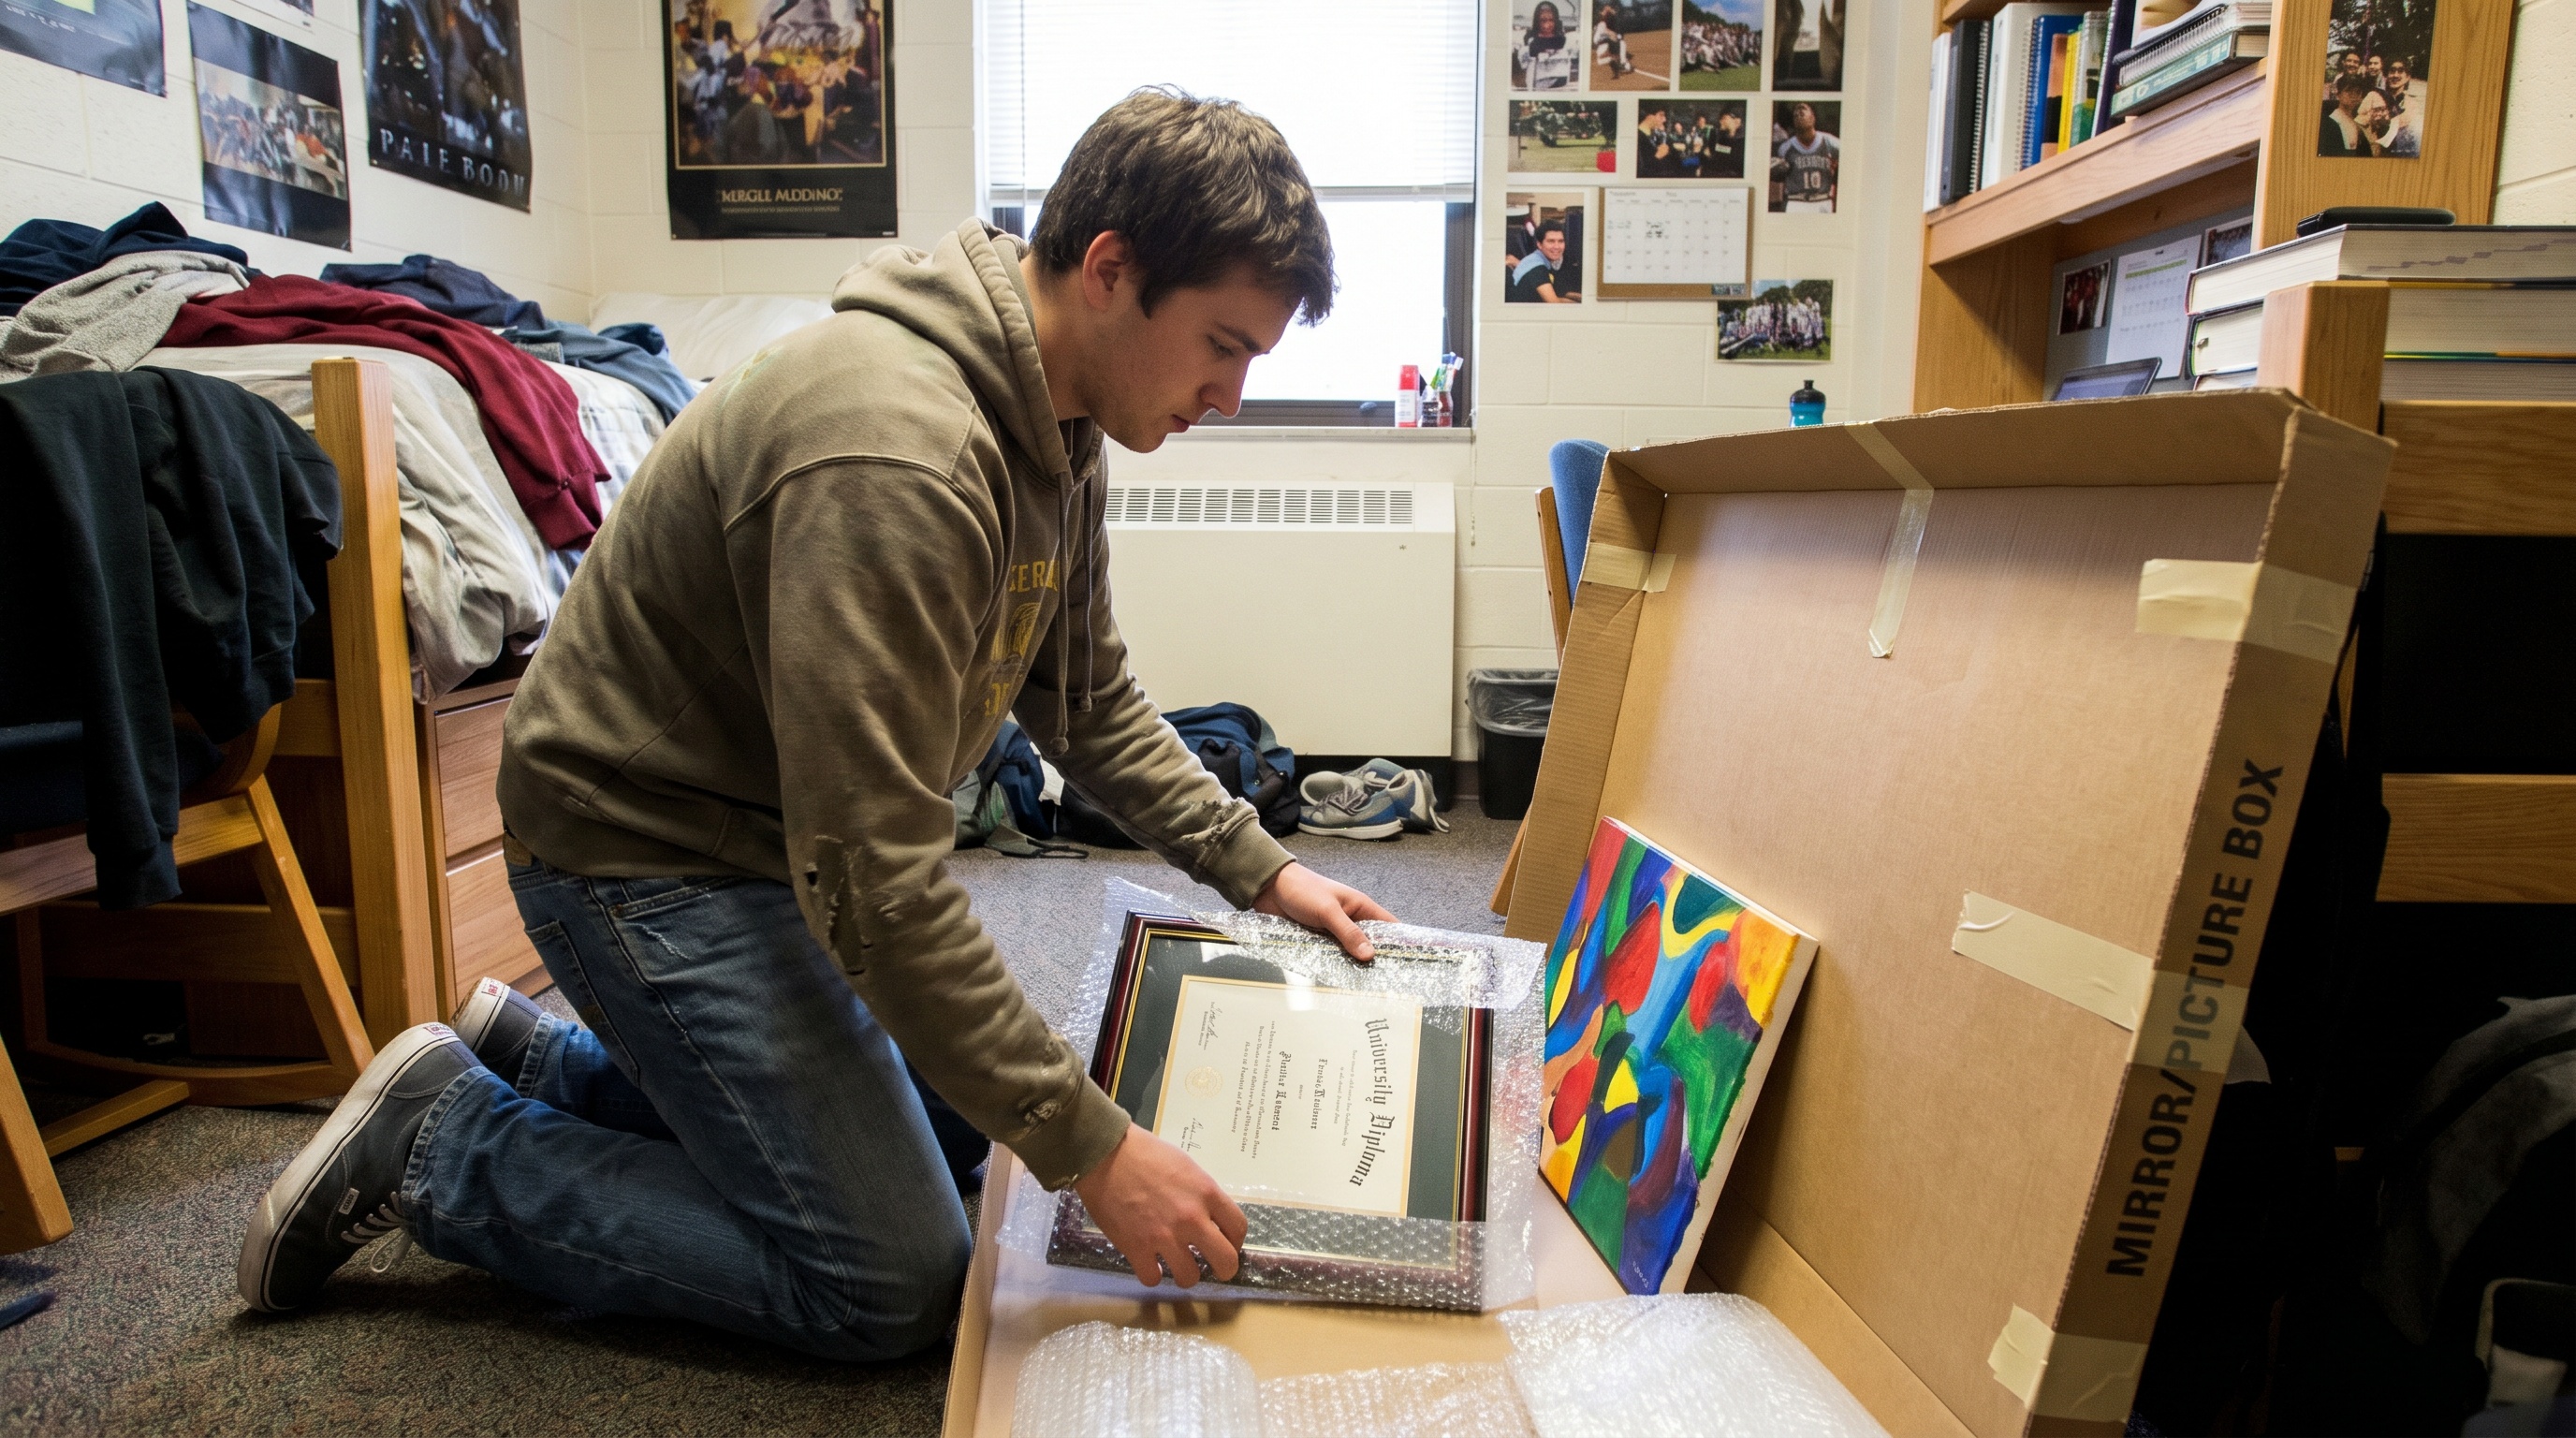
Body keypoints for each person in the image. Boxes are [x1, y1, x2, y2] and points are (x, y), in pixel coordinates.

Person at [237, 87, 1392, 1363]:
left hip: (772, 841)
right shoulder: (896, 454)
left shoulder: (1063, 420)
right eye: (1223, 346)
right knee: (891, 1279)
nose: (1230, 394)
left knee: (967, 1133)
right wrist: (1097, 1151)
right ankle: (442, 1145)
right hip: (640, 855)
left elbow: (1088, 699)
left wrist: (1262, 871)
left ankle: (552, 1068)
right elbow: (875, 885)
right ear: (1111, 270)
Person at [1771, 102, 1837, 211]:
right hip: (1796, 201)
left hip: (1822, 200)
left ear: (1813, 118)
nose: (1798, 114)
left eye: (1802, 112)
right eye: (1795, 115)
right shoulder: (1785, 148)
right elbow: (1777, 177)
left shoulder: (1828, 141)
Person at [1508, 219, 1578, 302]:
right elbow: (1554, 304)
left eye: (1560, 241)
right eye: (1551, 241)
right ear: (1539, 245)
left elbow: (1559, 294)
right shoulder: (1537, 268)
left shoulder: (1536, 258)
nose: (1557, 247)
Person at [1516, 1, 1577, 89]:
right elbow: (1525, 64)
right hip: (1537, 84)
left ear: (1556, 20)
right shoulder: (1530, 38)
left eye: (1551, 20)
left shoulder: (1562, 39)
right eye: (1543, 20)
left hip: (1560, 84)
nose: (1547, 25)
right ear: (1537, 21)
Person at [2320, 73, 2373, 155]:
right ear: (2339, 94)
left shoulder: (2358, 119)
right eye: (2349, 91)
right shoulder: (2333, 121)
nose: (2354, 95)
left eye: (2357, 92)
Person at [1592, 3, 1632, 79]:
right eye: (1604, 10)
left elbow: (1610, 28)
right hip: (1603, 44)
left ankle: (1620, 62)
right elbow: (1609, 30)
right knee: (1620, 43)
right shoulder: (1602, 22)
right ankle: (1621, 62)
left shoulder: (1602, 22)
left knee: (1620, 43)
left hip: (1603, 44)